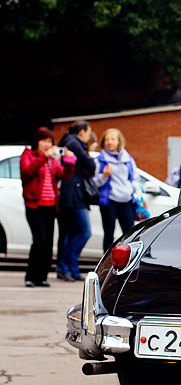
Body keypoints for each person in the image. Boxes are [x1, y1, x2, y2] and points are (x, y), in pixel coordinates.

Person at [20, 128, 77, 287]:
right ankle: (30, 277)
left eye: (50, 142)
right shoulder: (28, 156)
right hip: (34, 204)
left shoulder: (52, 160)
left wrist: (69, 162)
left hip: (51, 205)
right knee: (39, 240)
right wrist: (43, 157)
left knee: (49, 243)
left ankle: (42, 277)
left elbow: (64, 175)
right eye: (44, 141)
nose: (47, 145)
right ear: (36, 142)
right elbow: (28, 171)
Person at [56, 120, 96, 282]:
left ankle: (70, 268)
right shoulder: (74, 143)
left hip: (71, 193)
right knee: (84, 232)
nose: (88, 136)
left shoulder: (68, 141)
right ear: (82, 132)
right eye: (88, 132)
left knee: (70, 233)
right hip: (74, 194)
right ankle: (65, 265)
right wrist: (87, 157)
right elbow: (90, 165)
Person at [93, 128, 140, 251]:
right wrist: (104, 176)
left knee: (130, 234)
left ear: (119, 141)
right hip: (109, 202)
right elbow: (94, 182)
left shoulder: (127, 158)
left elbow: (135, 177)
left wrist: (133, 191)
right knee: (109, 234)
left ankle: (130, 263)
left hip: (126, 200)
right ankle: (106, 265)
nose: (110, 142)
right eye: (107, 139)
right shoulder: (101, 160)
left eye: (113, 139)